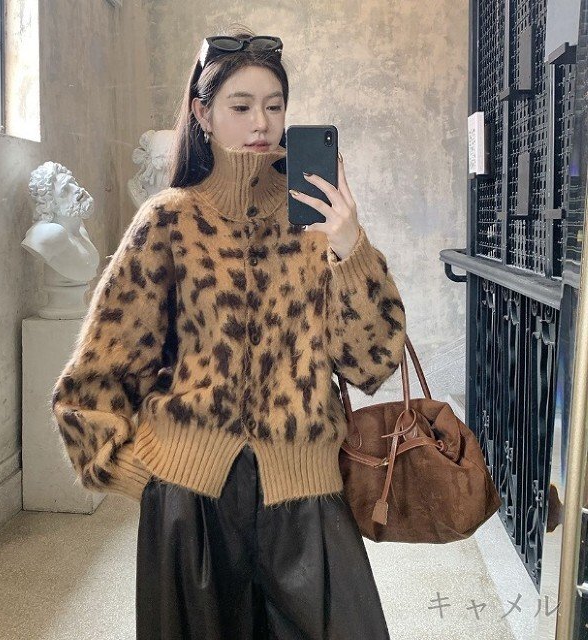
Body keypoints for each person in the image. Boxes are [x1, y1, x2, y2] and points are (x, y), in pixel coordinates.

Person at [50, 25, 407, 640]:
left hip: (307, 499)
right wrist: (147, 476)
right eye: (241, 107)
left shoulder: (317, 224)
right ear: (203, 114)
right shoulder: (168, 220)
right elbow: (90, 384)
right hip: (190, 509)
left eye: (274, 105)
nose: (261, 123)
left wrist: (351, 247)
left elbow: (371, 363)